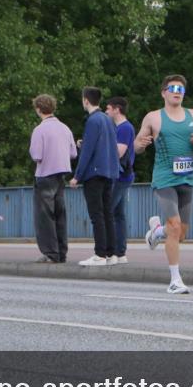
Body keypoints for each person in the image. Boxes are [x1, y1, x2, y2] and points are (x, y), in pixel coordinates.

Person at [136, 75, 193, 294]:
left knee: (181, 233)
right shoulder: (153, 117)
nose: (177, 93)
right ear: (164, 93)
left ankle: (157, 232)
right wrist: (141, 144)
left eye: (181, 89)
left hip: (187, 178)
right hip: (164, 179)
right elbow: (136, 145)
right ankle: (175, 280)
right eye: (173, 89)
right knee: (175, 226)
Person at [71, 87, 120, 266]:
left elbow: (88, 151)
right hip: (109, 172)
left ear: (86, 100)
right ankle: (112, 253)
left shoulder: (92, 120)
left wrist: (77, 175)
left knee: (96, 215)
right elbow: (107, 145)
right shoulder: (108, 119)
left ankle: (99, 254)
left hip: (94, 173)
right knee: (108, 214)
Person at [29, 94, 77, 264]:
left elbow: (37, 155)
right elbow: (73, 153)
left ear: (38, 109)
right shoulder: (65, 128)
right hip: (60, 176)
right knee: (60, 215)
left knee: (45, 216)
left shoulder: (39, 130)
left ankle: (50, 253)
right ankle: (62, 252)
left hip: (45, 175)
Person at [105, 97, 136, 264]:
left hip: (120, 176)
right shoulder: (120, 127)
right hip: (122, 176)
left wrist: (99, 150)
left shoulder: (124, 128)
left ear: (117, 109)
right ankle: (120, 252)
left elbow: (119, 152)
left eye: (108, 109)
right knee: (118, 214)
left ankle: (110, 252)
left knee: (107, 211)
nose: (106, 112)